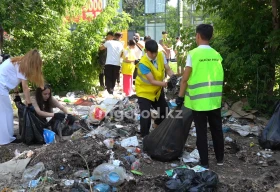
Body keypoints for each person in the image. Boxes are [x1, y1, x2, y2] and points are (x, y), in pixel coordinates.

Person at [176, 24, 224, 168]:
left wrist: (180, 96)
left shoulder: (193, 54)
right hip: (214, 100)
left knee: (201, 132)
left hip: (198, 102)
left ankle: (204, 163)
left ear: (198, 36)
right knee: (217, 129)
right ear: (211, 36)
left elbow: (185, 79)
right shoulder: (216, 55)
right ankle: (220, 160)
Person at [0, 49, 44, 145]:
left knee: (6, 112)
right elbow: (25, 87)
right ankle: (6, 139)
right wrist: (29, 104)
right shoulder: (23, 66)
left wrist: (16, 94)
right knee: (5, 113)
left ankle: (8, 136)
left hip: (2, 88)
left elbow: (15, 79)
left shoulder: (17, 62)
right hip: (1, 88)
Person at [136, 40, 176, 137]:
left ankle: (156, 125)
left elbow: (168, 68)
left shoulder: (160, 55)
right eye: (152, 53)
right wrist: (167, 84)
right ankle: (144, 136)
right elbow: (152, 81)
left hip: (157, 91)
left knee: (165, 111)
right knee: (145, 115)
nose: (154, 55)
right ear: (146, 51)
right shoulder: (143, 64)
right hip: (144, 91)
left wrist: (173, 76)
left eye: (155, 52)